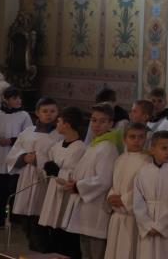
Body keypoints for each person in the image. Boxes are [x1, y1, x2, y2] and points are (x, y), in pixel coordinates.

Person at [62, 104, 121, 259]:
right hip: (86, 206)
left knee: (96, 252)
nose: (96, 125)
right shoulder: (96, 144)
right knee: (86, 252)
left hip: (97, 208)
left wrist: (77, 186)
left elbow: (104, 180)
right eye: (94, 120)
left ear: (111, 124)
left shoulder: (108, 147)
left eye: (102, 121)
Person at [6, 96, 62, 251]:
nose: (49, 114)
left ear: (57, 112)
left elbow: (59, 158)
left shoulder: (59, 134)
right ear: (37, 113)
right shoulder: (27, 132)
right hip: (26, 177)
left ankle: (42, 249)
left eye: (52, 111)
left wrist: (38, 159)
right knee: (26, 218)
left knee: (40, 218)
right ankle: (33, 245)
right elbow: (13, 153)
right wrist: (23, 157)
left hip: (44, 179)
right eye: (45, 111)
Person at [39, 106, 87, 259]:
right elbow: (48, 168)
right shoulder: (57, 146)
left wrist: (58, 171)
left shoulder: (81, 148)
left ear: (67, 124)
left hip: (68, 195)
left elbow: (78, 175)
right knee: (53, 233)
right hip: (54, 193)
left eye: (59, 121)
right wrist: (48, 170)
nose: (57, 123)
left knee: (67, 237)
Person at [133, 131, 168, 259]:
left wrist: (161, 226)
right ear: (152, 149)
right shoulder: (143, 172)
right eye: (164, 148)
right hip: (148, 225)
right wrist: (147, 225)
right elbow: (138, 202)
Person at [0, 86, 32, 228]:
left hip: (16, 157)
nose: (19, 101)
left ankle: (13, 218)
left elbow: (29, 135)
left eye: (19, 98)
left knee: (13, 190)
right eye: (15, 98)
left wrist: (11, 140)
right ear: (5, 99)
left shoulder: (24, 115)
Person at [104, 123, 150, 259]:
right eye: (132, 137)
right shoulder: (120, 159)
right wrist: (111, 196)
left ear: (146, 138)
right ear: (125, 139)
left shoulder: (147, 161)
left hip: (134, 219)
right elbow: (114, 183)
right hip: (117, 216)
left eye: (141, 137)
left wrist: (124, 200)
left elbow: (146, 189)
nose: (137, 140)